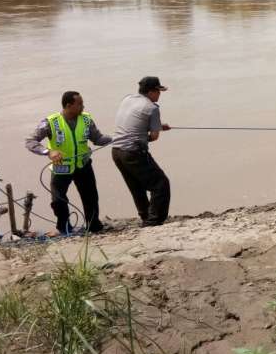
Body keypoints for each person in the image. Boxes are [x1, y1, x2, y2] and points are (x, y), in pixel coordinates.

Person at [25, 91, 112, 235]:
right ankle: (64, 228)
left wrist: (115, 138)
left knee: (91, 198)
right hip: (61, 168)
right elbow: (30, 141)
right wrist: (48, 152)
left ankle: (93, 226)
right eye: (80, 104)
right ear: (68, 105)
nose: (83, 107)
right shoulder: (51, 122)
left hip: (83, 165)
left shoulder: (86, 119)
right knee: (58, 200)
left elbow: (98, 139)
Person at [111, 76, 172, 226]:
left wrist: (157, 126)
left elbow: (135, 121)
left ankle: (146, 216)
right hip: (133, 152)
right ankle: (154, 220)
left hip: (117, 152)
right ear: (151, 92)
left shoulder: (127, 99)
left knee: (136, 186)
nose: (159, 94)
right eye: (158, 91)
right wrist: (154, 129)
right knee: (161, 184)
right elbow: (154, 137)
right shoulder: (152, 108)